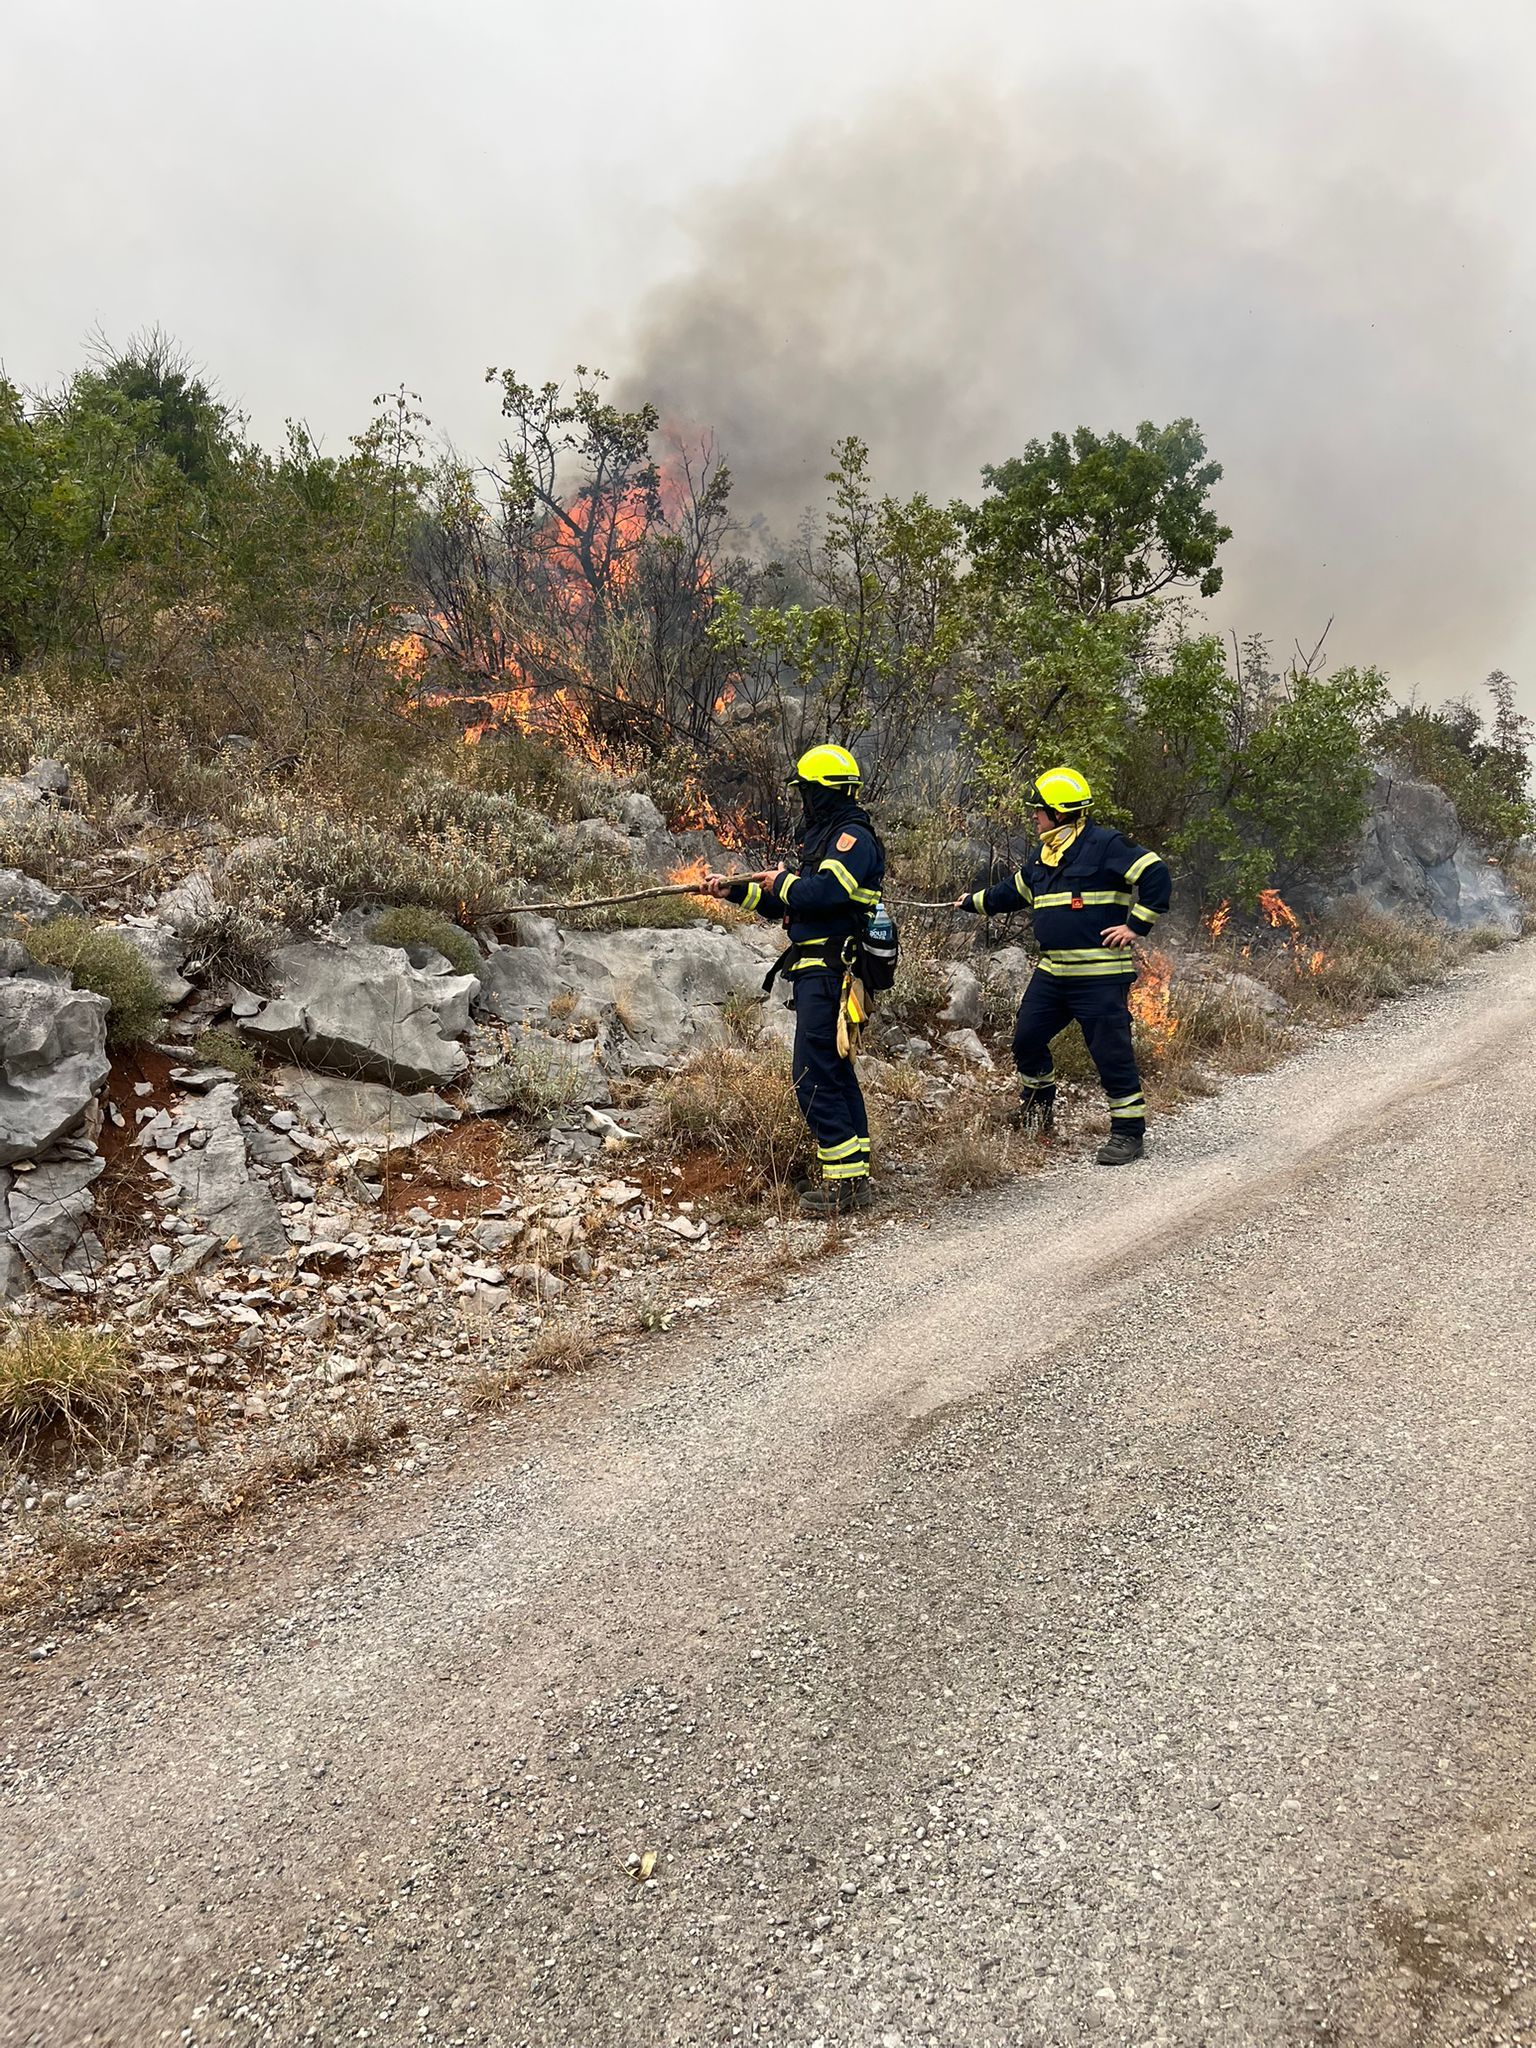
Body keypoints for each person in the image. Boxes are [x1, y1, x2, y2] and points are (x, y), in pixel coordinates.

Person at [956, 766, 1171, 1166]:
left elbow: (1156, 873)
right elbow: (1011, 892)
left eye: (1038, 810)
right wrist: (972, 902)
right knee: (1026, 1039)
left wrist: (1136, 925)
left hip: (1099, 978)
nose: (1034, 816)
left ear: (1058, 812)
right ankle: (1038, 1110)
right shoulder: (1044, 855)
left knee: (1111, 1055)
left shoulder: (1105, 845)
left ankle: (1128, 1134)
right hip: (1053, 974)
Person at [705, 744, 884, 1215]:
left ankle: (845, 1186)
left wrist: (783, 881)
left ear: (822, 792)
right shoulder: (825, 838)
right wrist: (733, 891)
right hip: (816, 971)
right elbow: (792, 904)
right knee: (834, 1072)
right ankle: (854, 1175)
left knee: (813, 1077)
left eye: (805, 791)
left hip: (830, 971)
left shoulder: (852, 838)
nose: (801, 800)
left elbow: (826, 893)